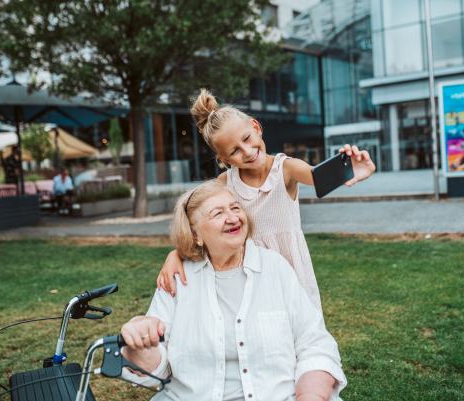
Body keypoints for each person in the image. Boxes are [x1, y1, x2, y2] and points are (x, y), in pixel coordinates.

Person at [120, 180, 347, 400]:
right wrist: (140, 345)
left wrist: (310, 397)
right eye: (217, 213)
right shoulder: (178, 278)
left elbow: (315, 344)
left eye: (235, 208)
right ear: (196, 235)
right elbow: (154, 371)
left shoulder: (275, 267)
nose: (233, 217)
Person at [157, 89, 375, 311]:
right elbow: (189, 211)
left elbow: (315, 174)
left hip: (290, 266)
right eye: (235, 151)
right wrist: (175, 253)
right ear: (224, 159)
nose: (248, 151)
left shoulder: (286, 168)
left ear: (256, 127)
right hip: (248, 270)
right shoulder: (226, 182)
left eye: (247, 138)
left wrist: (350, 171)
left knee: (298, 329)